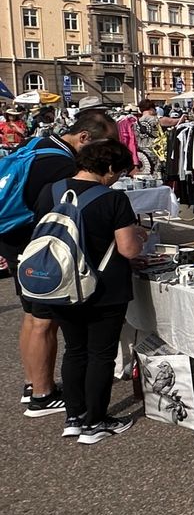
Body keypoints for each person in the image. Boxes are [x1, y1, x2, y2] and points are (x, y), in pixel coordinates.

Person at [0, 111, 118, 415]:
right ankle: (43, 395)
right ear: (84, 138)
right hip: (40, 247)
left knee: (31, 316)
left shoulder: (37, 144)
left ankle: (33, 384)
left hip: (17, 240)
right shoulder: (61, 165)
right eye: (106, 143)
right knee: (45, 320)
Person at [32, 139, 145, 443]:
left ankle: (74, 416)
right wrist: (139, 236)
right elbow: (128, 249)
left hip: (58, 282)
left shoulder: (50, 191)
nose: (117, 179)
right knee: (101, 354)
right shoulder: (113, 199)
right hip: (102, 288)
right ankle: (95, 422)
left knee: (74, 350)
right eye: (118, 172)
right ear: (108, 167)